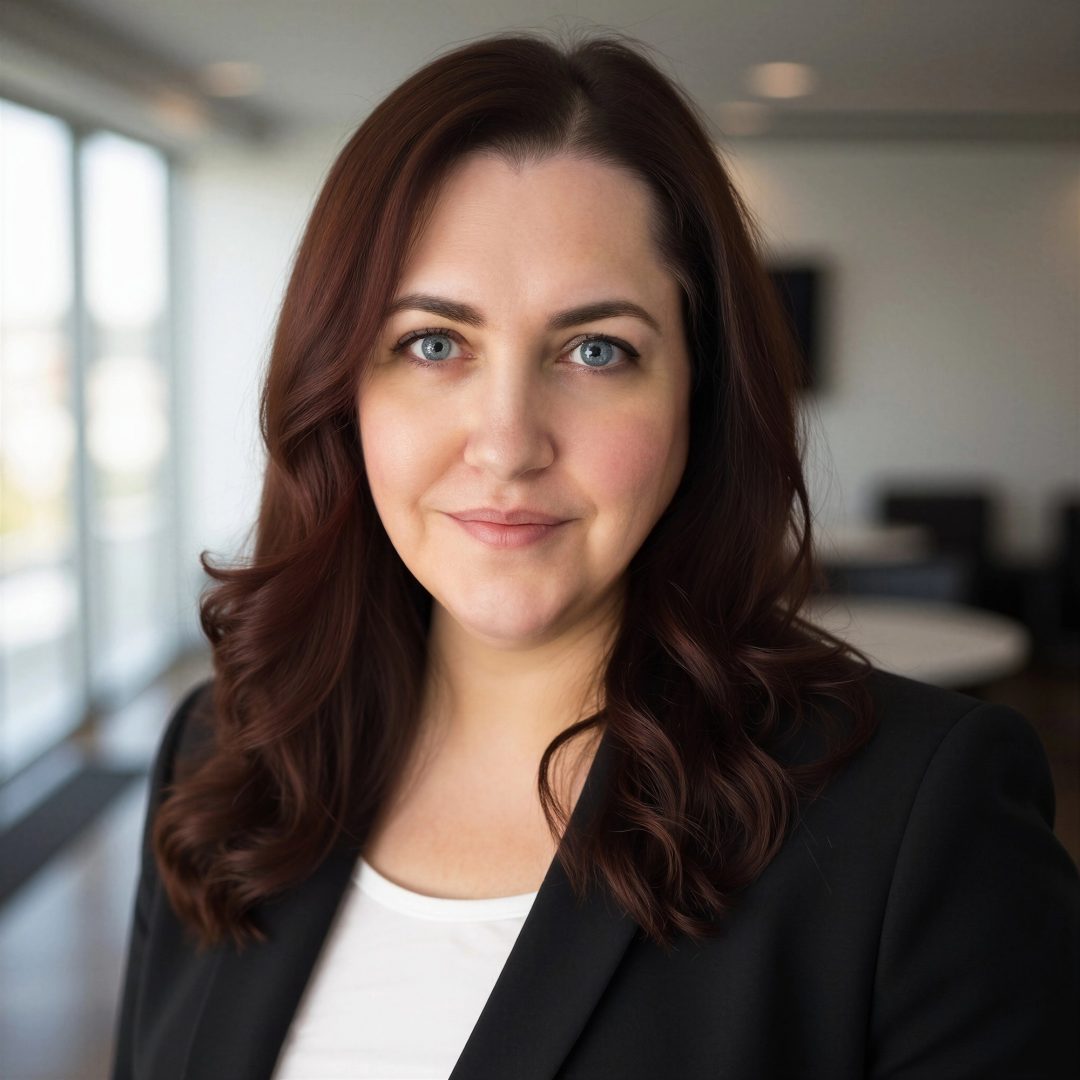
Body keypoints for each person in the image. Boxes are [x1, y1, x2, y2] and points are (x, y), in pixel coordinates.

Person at [110, 29, 1079, 1080]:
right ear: (342, 390)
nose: (509, 442)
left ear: (699, 400)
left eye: (595, 350)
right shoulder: (225, 759)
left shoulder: (915, 822)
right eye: (434, 344)